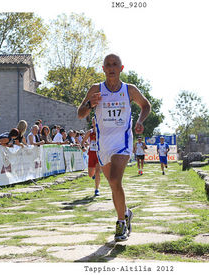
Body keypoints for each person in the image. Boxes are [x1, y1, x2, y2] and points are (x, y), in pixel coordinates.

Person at [78, 53, 151, 242]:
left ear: (121, 68)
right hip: (103, 145)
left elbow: (146, 105)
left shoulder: (129, 90)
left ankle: (120, 224)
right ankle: (126, 212)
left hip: (123, 141)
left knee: (116, 180)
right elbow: (80, 113)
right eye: (108, 65)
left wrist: (141, 121)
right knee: (113, 184)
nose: (111, 68)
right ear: (103, 69)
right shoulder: (96, 89)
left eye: (115, 64)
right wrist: (89, 104)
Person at [81, 117, 101, 196]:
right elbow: (82, 142)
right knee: (90, 174)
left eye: (96, 121)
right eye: (93, 121)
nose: (95, 123)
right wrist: (83, 147)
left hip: (99, 153)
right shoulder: (90, 132)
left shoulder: (101, 131)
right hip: (91, 152)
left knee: (97, 171)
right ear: (92, 123)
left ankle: (96, 189)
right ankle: (94, 177)